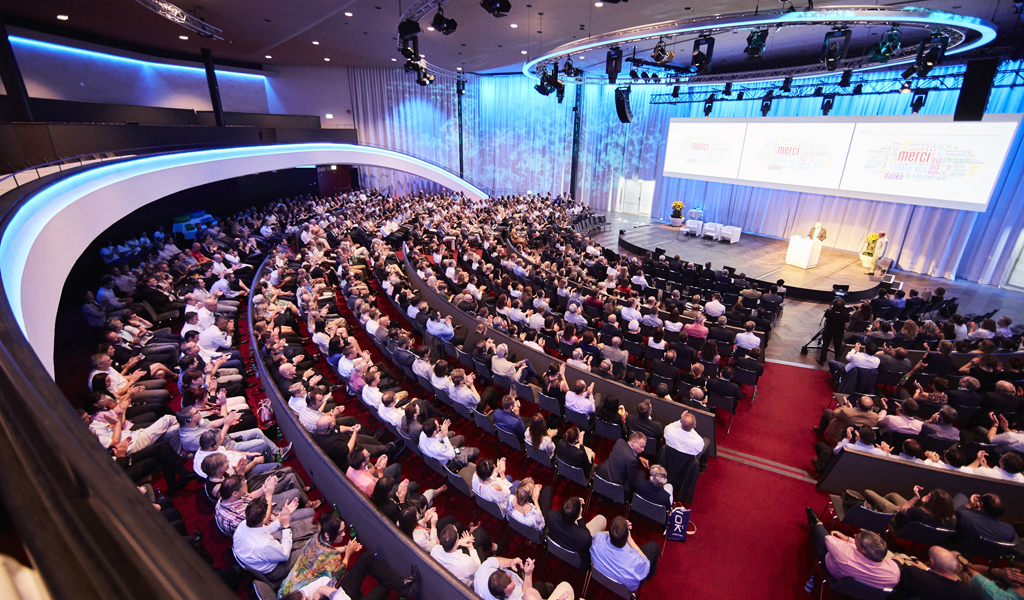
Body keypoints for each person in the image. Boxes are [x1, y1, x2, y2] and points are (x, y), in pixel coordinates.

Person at [278, 513, 416, 600]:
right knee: (384, 586)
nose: (344, 535)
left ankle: (401, 586)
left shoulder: (317, 539)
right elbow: (339, 575)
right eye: (340, 532)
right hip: (338, 593)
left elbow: (327, 550)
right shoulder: (331, 559)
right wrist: (348, 554)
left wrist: (345, 548)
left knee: (367, 558)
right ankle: (399, 587)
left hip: (329, 591)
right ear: (328, 534)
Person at [805, 508, 900, 590]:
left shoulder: (842, 551)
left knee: (823, 541)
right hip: (861, 591)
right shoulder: (895, 574)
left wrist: (846, 542)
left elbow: (829, 539)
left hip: (837, 577)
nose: (854, 535)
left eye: (857, 537)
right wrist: (848, 539)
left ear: (864, 550)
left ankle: (817, 524)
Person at [232, 496, 314, 585]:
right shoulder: (264, 545)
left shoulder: (243, 524)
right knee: (308, 547)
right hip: (274, 570)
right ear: (264, 517)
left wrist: (281, 519)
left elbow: (266, 530)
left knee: (294, 534)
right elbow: (285, 554)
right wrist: (286, 526)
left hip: (260, 558)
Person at [590, 516, 660, 592]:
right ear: (627, 536)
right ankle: (653, 573)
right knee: (654, 546)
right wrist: (630, 540)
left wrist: (618, 529)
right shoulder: (636, 561)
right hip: (625, 588)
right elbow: (646, 563)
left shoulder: (597, 540)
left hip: (599, 574)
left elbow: (601, 534)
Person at [889, 546, 982, 600]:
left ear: (932, 562)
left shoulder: (913, 574)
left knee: (901, 556)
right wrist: (927, 570)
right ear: (956, 565)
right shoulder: (971, 593)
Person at [473, 556, 573, 600]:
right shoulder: (514, 597)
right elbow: (527, 591)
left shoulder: (483, 571)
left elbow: (496, 561)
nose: (515, 585)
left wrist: (510, 562)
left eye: (511, 580)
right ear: (500, 597)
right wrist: (528, 574)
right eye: (512, 588)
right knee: (563, 585)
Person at [545, 496, 606, 569]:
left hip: (556, 546)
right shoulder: (584, 537)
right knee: (601, 519)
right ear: (577, 515)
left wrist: (574, 504)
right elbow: (586, 533)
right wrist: (580, 517)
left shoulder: (550, 516)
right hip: (577, 559)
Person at [862, 485, 956, 530]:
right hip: (911, 516)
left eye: (929, 496)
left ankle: (875, 513)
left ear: (933, 504)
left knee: (868, 491)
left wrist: (916, 497)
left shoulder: (918, 512)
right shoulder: (948, 518)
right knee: (893, 495)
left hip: (897, 516)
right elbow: (924, 514)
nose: (927, 495)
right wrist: (924, 504)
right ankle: (876, 508)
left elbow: (902, 510)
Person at [595, 432, 647, 498]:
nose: (643, 450)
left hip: (602, 474)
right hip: (615, 486)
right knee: (641, 474)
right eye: (641, 446)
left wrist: (639, 458)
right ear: (633, 442)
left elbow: (626, 455)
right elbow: (632, 482)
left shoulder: (620, 441)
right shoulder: (632, 461)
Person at [818, 299, 849, 365]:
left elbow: (827, 320)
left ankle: (822, 360)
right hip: (839, 332)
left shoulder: (829, 312)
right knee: (838, 347)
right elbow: (846, 326)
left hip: (828, 330)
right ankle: (837, 361)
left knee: (825, 345)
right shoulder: (846, 314)